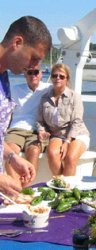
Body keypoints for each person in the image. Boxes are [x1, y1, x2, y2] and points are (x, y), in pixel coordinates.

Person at [0, 16, 52, 196]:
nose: (36, 66)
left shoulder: (4, 78)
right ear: (17, 42)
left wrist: (11, 157)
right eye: (34, 58)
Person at [36, 63, 90, 176]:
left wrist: (67, 141)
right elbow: (40, 121)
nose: (57, 78)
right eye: (55, 76)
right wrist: (41, 130)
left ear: (67, 79)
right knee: (52, 153)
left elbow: (77, 121)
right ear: (51, 78)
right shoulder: (44, 98)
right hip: (57, 134)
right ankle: (60, 184)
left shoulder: (75, 97)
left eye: (61, 76)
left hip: (77, 134)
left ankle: (67, 191)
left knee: (70, 158)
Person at [4, 64, 51, 187]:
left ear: (41, 73)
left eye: (36, 72)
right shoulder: (15, 89)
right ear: (24, 74)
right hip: (16, 128)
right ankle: (16, 188)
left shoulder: (48, 89)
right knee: (11, 152)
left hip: (36, 130)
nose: (33, 75)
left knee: (34, 151)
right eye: (30, 73)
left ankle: (25, 188)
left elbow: (64, 90)